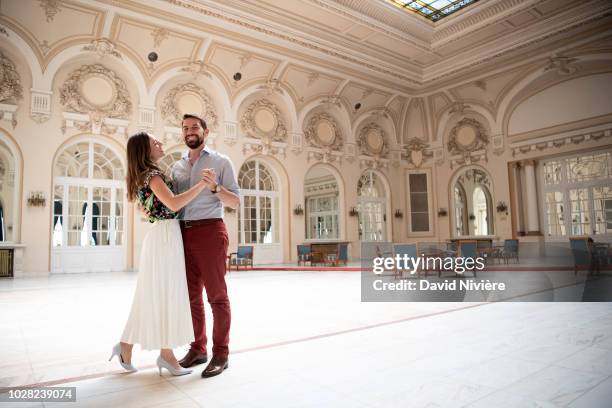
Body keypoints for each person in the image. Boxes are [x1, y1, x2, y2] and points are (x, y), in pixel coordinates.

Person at [109, 131, 214, 376]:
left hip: (160, 235)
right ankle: (165, 355)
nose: (160, 144)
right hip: (165, 237)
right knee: (167, 293)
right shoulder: (153, 175)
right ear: (145, 151)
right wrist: (202, 183)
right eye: (154, 142)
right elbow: (175, 204)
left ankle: (129, 346)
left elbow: (146, 211)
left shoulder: (140, 176)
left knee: (154, 294)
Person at [172, 113, 239, 378]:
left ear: (205, 132)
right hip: (183, 234)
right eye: (185, 128)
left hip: (210, 231)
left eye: (195, 127)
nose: (190, 131)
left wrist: (215, 188)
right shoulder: (176, 166)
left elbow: (234, 201)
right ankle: (198, 349)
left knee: (217, 297)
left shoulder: (221, 161)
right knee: (191, 297)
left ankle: (220, 353)